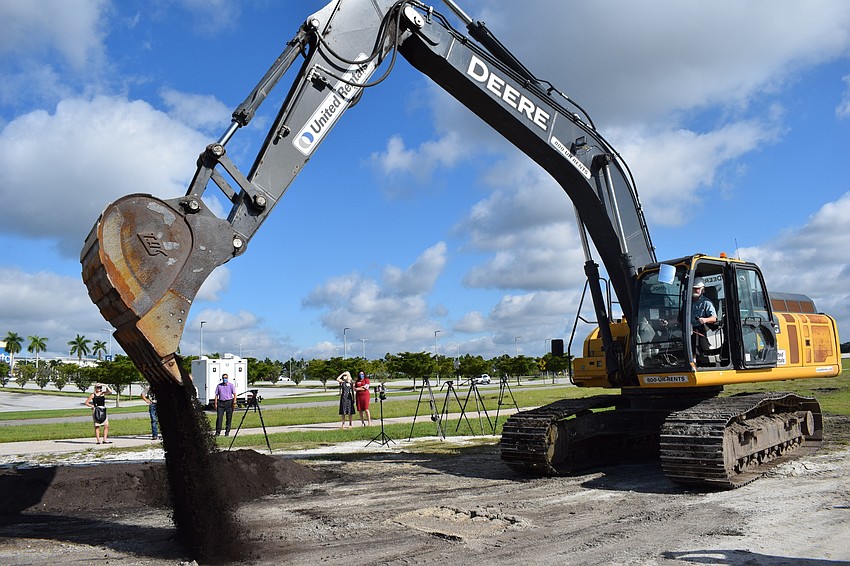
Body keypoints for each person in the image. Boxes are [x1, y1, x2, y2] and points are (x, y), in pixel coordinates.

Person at [690, 277, 718, 361]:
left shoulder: (707, 303)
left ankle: (693, 359)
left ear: (703, 290)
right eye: (693, 288)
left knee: (695, 335)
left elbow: (714, 318)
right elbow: (680, 318)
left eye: (697, 289)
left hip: (700, 330)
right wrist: (668, 322)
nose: (695, 290)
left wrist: (705, 320)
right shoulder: (687, 302)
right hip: (688, 329)